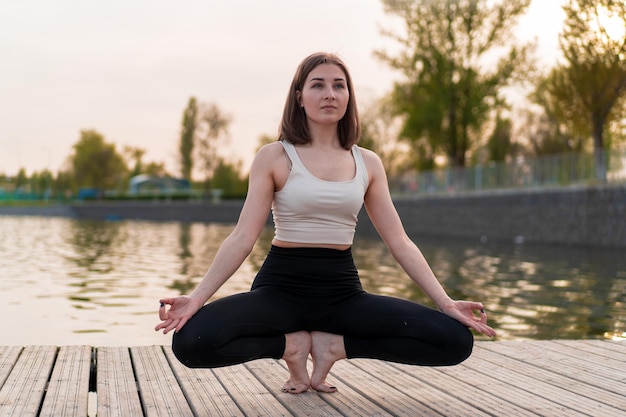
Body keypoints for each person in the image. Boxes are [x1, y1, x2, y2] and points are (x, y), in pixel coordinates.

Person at [155, 52, 496, 394]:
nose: (330, 93)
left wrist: (446, 303)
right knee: (192, 342)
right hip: (280, 289)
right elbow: (243, 237)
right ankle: (290, 346)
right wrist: (197, 298)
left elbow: (400, 243)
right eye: (318, 85)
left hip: (342, 292)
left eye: (339, 85)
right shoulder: (274, 156)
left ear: (349, 97)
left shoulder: (368, 163)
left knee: (454, 341)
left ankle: (334, 347)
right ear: (300, 97)